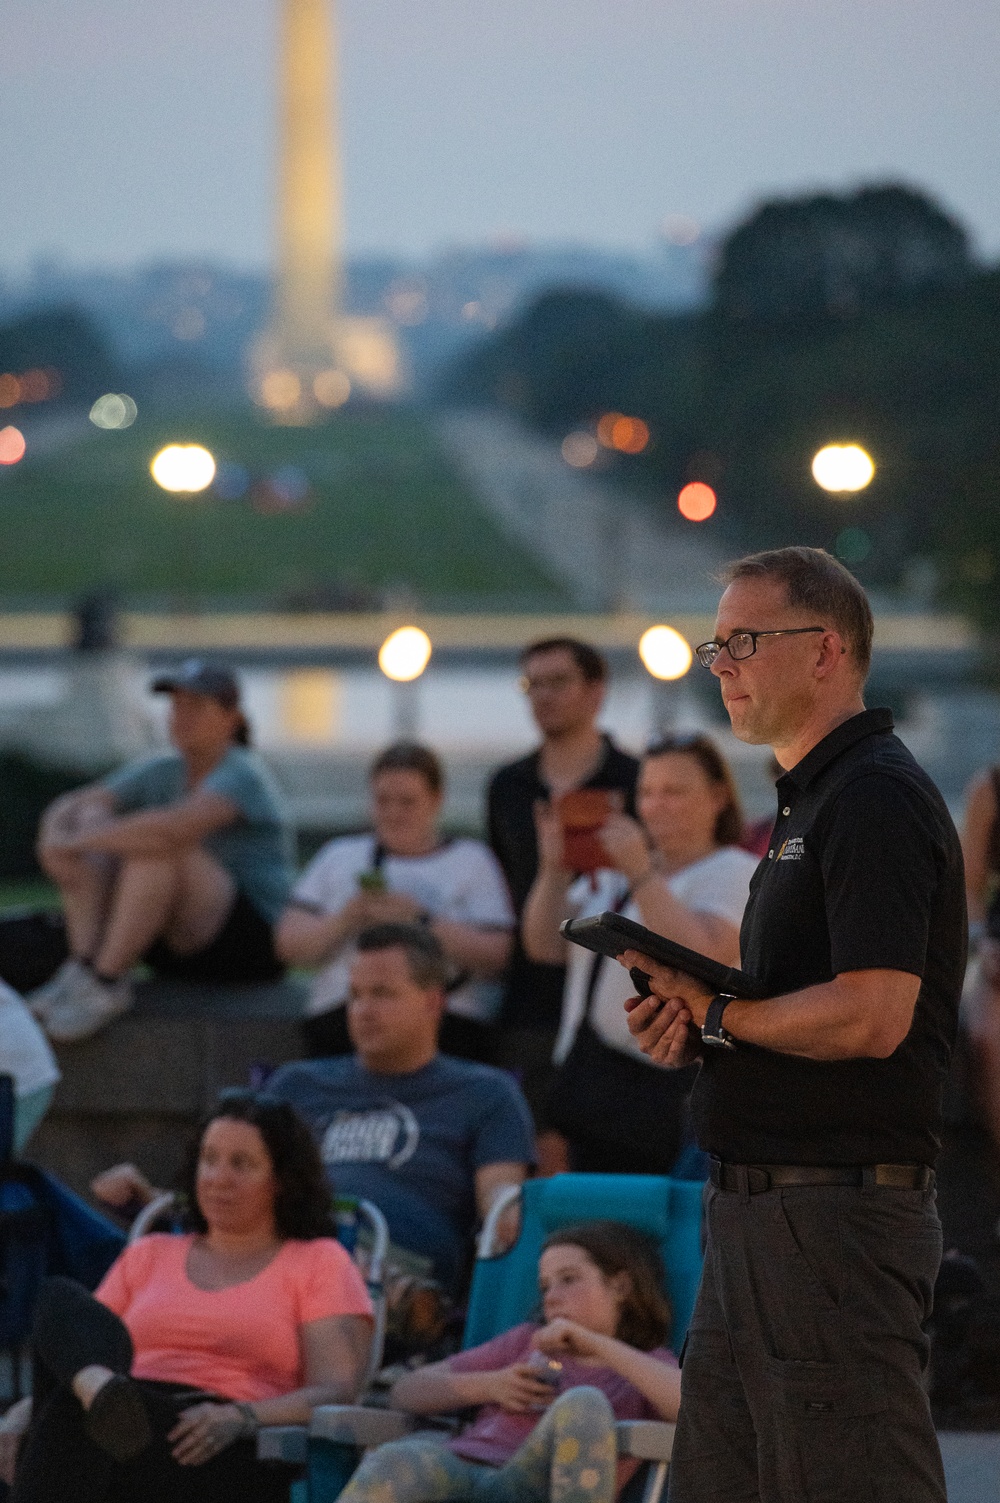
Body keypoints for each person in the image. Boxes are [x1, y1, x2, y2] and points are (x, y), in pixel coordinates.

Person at [619, 547, 965, 1503]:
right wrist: (702, 1023)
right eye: (715, 644)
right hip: (759, 1217)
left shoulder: (874, 796)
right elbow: (805, 1002)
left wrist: (723, 1010)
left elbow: (873, 1012)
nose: (720, 663)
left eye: (743, 641)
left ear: (827, 650)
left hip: (833, 1222)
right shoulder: (810, 796)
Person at [100, 926, 536, 1298]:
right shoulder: (297, 1085)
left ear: (432, 1002)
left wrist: (513, 1214)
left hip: (392, 1268)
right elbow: (235, 1184)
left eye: (381, 994)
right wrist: (155, 1201)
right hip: (279, 1245)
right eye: (355, 995)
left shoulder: (484, 1093)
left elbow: (500, 1206)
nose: (362, 1010)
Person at [0, 1091, 373, 1502]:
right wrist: (19, 1416)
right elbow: (78, 1348)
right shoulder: (151, 1252)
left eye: (241, 1164)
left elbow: (335, 1390)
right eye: (209, 1159)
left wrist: (241, 1417)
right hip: (122, 1410)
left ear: (282, 1180)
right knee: (59, 1299)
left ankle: (104, 1402)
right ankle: (105, 1397)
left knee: (72, 1416)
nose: (218, 1177)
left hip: (219, 1439)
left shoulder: (317, 1261)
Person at [523, 733, 757, 1173]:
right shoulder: (617, 873)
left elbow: (705, 952)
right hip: (589, 1082)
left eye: (674, 791)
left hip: (667, 1091)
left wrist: (642, 873)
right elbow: (543, 946)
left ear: (718, 797)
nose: (656, 805)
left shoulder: (734, 871)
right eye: (648, 792)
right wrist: (554, 867)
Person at [31, 660, 293, 1043]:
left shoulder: (242, 774)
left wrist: (79, 839)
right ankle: (83, 971)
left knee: (159, 852)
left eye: (196, 707)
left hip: (249, 944)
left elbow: (173, 830)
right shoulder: (162, 769)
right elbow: (79, 802)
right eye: (176, 706)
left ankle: (105, 982)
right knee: (104, 837)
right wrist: (67, 830)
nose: (181, 717)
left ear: (231, 718)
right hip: (175, 941)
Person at [330, 1220, 680, 1503]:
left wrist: (595, 1343)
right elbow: (405, 1391)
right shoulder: (524, 1342)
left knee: (584, 1402)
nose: (553, 1297)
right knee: (398, 1460)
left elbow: (691, 1408)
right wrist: (492, 1384)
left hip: (543, 1486)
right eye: (545, 1287)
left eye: (569, 1280)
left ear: (620, 1287)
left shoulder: (646, 1365)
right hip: (465, 1474)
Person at [487, 638, 640, 1172]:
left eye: (558, 682)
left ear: (596, 693)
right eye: (533, 684)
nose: (543, 696)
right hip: (529, 987)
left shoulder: (636, 781)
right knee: (531, 1142)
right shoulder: (508, 785)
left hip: (613, 983)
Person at [277, 741, 514, 1062]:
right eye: (383, 801)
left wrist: (421, 922)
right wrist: (347, 918)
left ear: (436, 800)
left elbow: (499, 955)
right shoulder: (339, 856)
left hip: (446, 1023)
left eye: (407, 802)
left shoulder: (471, 860)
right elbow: (289, 947)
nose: (394, 813)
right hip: (342, 1020)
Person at [959, 765, 1000, 1155]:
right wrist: (983, 943)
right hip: (993, 952)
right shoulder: (990, 787)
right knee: (987, 1033)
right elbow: (969, 891)